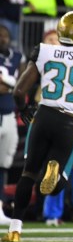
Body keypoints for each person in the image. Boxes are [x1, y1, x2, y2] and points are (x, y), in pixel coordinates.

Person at [2, 11, 73, 242]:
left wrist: (24, 109)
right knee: (56, 187)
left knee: (27, 174)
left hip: (44, 115)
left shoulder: (45, 50)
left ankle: (15, 231)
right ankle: (55, 171)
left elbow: (19, 90)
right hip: (70, 121)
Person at [0, 25, 23, 225]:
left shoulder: (17, 56)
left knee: (4, 164)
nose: (3, 38)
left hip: (8, 115)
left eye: (5, 35)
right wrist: (12, 82)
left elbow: (22, 83)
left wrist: (7, 82)